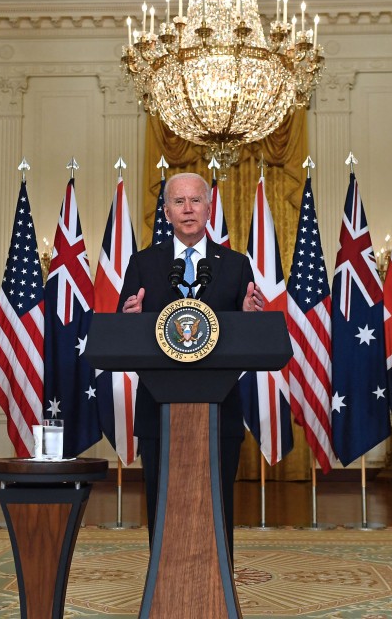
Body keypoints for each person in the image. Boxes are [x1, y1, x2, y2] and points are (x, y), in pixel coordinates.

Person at [117, 172, 264, 555]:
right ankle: (161, 585)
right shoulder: (143, 264)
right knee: (161, 502)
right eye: (179, 202)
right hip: (158, 407)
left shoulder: (234, 264)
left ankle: (219, 589)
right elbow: (123, 335)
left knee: (217, 503)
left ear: (209, 208)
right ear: (166, 212)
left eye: (195, 201)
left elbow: (247, 343)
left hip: (220, 409)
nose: (188, 209)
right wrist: (129, 323)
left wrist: (249, 318)